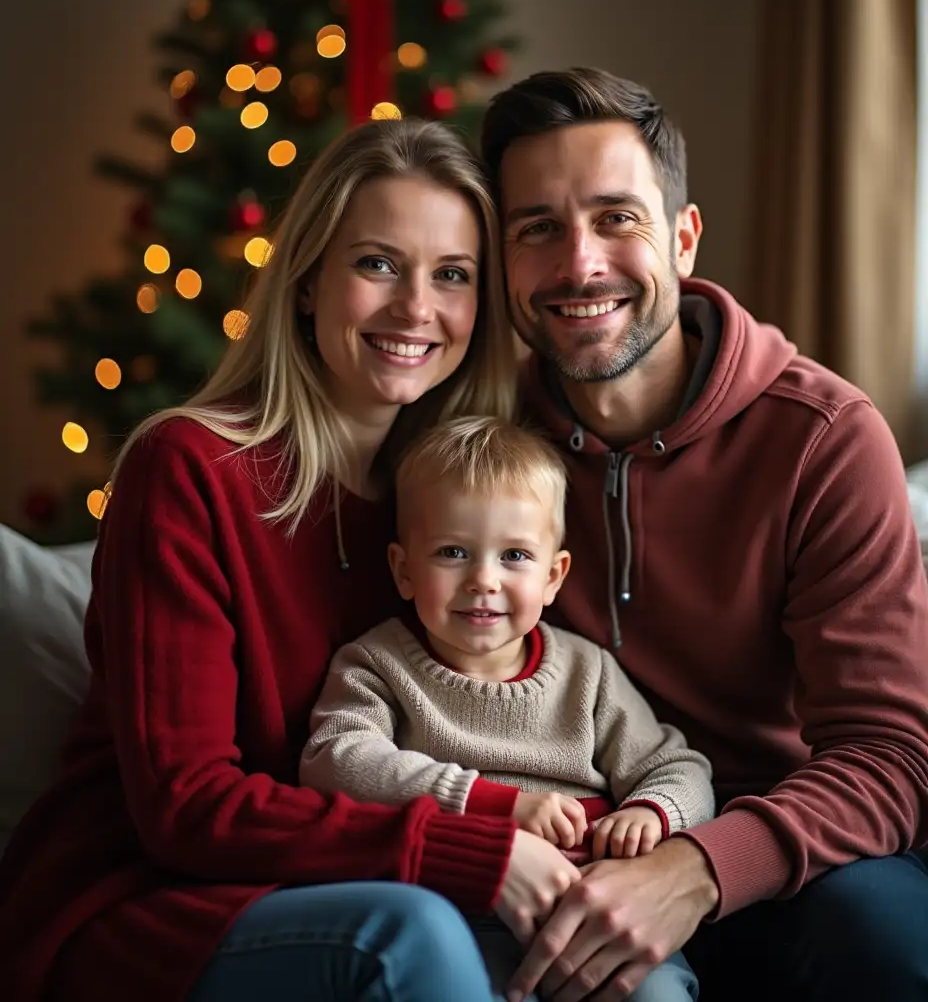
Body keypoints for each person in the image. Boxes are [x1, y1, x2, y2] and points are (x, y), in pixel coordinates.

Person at [0, 118, 578, 1002]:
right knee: (410, 937)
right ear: (308, 282)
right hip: (154, 898)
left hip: (358, 881)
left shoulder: (461, 505)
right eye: (378, 264)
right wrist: (471, 852)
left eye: (452, 275)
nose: (416, 309)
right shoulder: (188, 469)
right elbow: (187, 807)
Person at [478, 67, 928, 1002]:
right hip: (567, 856)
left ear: (683, 239)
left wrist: (693, 870)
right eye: (537, 229)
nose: (579, 263)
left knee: (888, 942)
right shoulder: (472, 444)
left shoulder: (823, 440)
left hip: (796, 861)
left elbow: (891, 759)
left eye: (617, 218)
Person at [301, 414, 715, 1001]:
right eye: (452, 552)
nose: (483, 580)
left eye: (515, 556)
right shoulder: (377, 664)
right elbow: (336, 758)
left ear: (554, 576)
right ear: (403, 569)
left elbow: (679, 767)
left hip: (590, 911)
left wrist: (651, 812)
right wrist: (493, 805)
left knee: (655, 994)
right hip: (455, 912)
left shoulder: (586, 671)